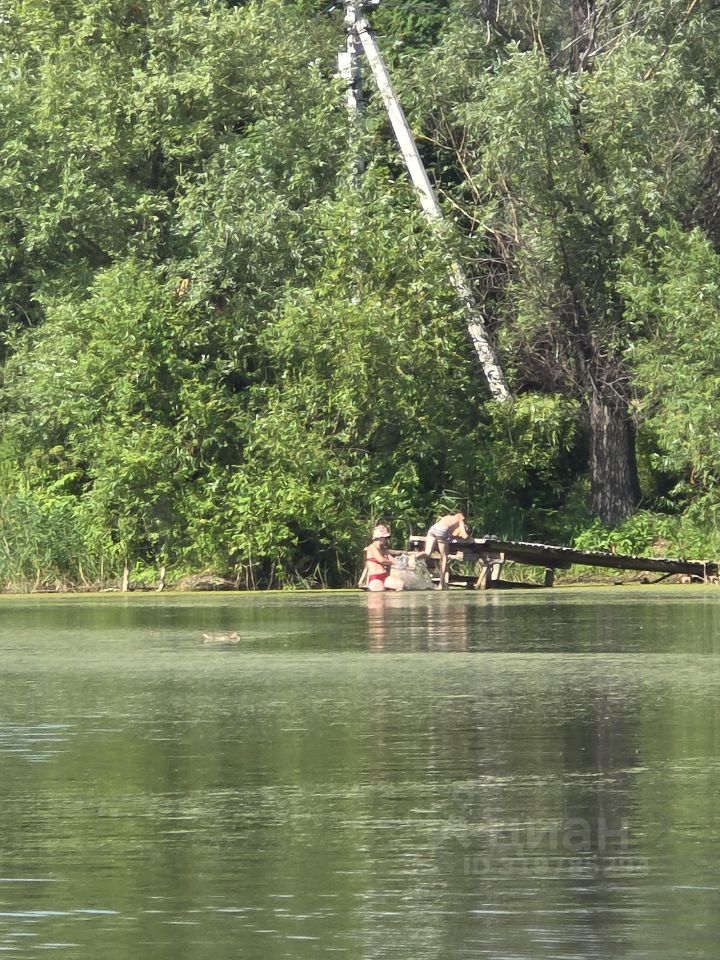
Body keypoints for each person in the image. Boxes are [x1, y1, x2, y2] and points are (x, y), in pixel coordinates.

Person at [416, 512, 470, 590]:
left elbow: (450, 532)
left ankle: (414, 556)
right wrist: (470, 538)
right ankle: (441, 583)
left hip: (433, 529)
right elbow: (464, 536)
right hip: (441, 531)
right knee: (444, 557)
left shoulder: (448, 517)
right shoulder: (460, 519)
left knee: (427, 553)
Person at [363, 525, 405, 592]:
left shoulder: (383, 548)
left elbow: (391, 558)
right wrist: (392, 563)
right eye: (385, 538)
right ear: (380, 538)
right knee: (379, 591)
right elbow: (381, 560)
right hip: (375, 578)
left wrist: (400, 564)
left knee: (400, 584)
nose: (386, 540)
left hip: (385, 576)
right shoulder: (372, 547)